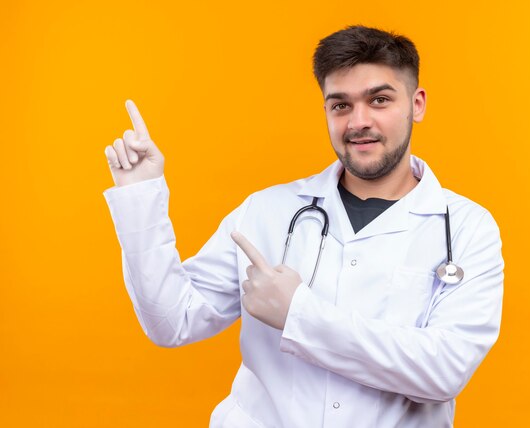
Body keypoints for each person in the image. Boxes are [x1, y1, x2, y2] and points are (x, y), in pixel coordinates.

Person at [103, 25, 504, 428]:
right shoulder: (266, 211)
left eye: (379, 100)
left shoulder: (469, 228)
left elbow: (443, 372)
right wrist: (141, 200)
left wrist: (298, 313)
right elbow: (173, 322)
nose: (358, 122)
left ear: (416, 105)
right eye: (340, 105)